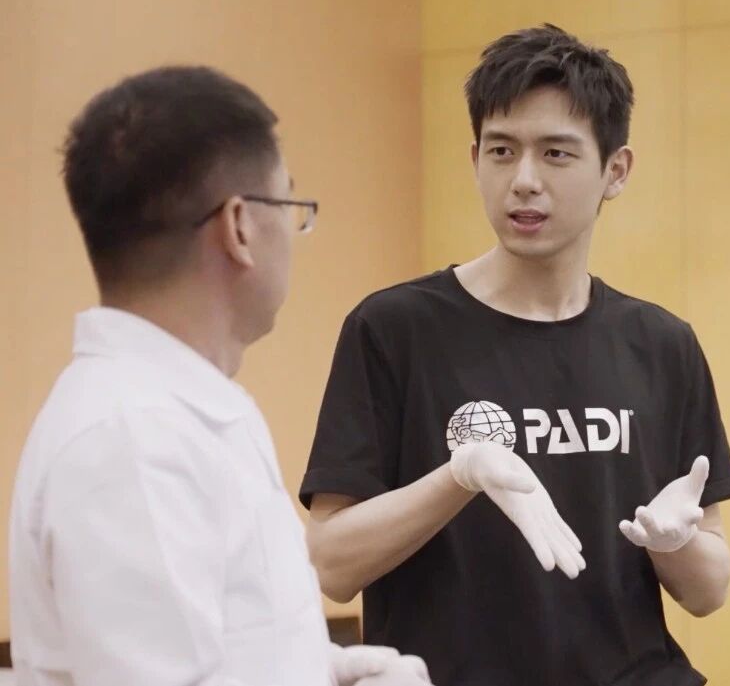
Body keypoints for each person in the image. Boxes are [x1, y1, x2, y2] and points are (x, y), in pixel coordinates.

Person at [300, 24, 730, 686]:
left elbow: (709, 592)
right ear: (475, 157)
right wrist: (458, 477)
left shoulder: (660, 344)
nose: (524, 181)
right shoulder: (394, 329)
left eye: (556, 154)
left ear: (615, 170)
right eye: (502, 151)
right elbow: (332, 565)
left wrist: (674, 543)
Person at [8, 65, 430, 686]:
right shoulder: (133, 442)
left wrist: (315, 670)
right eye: (290, 205)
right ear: (239, 227)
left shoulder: (189, 409)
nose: (295, 234)